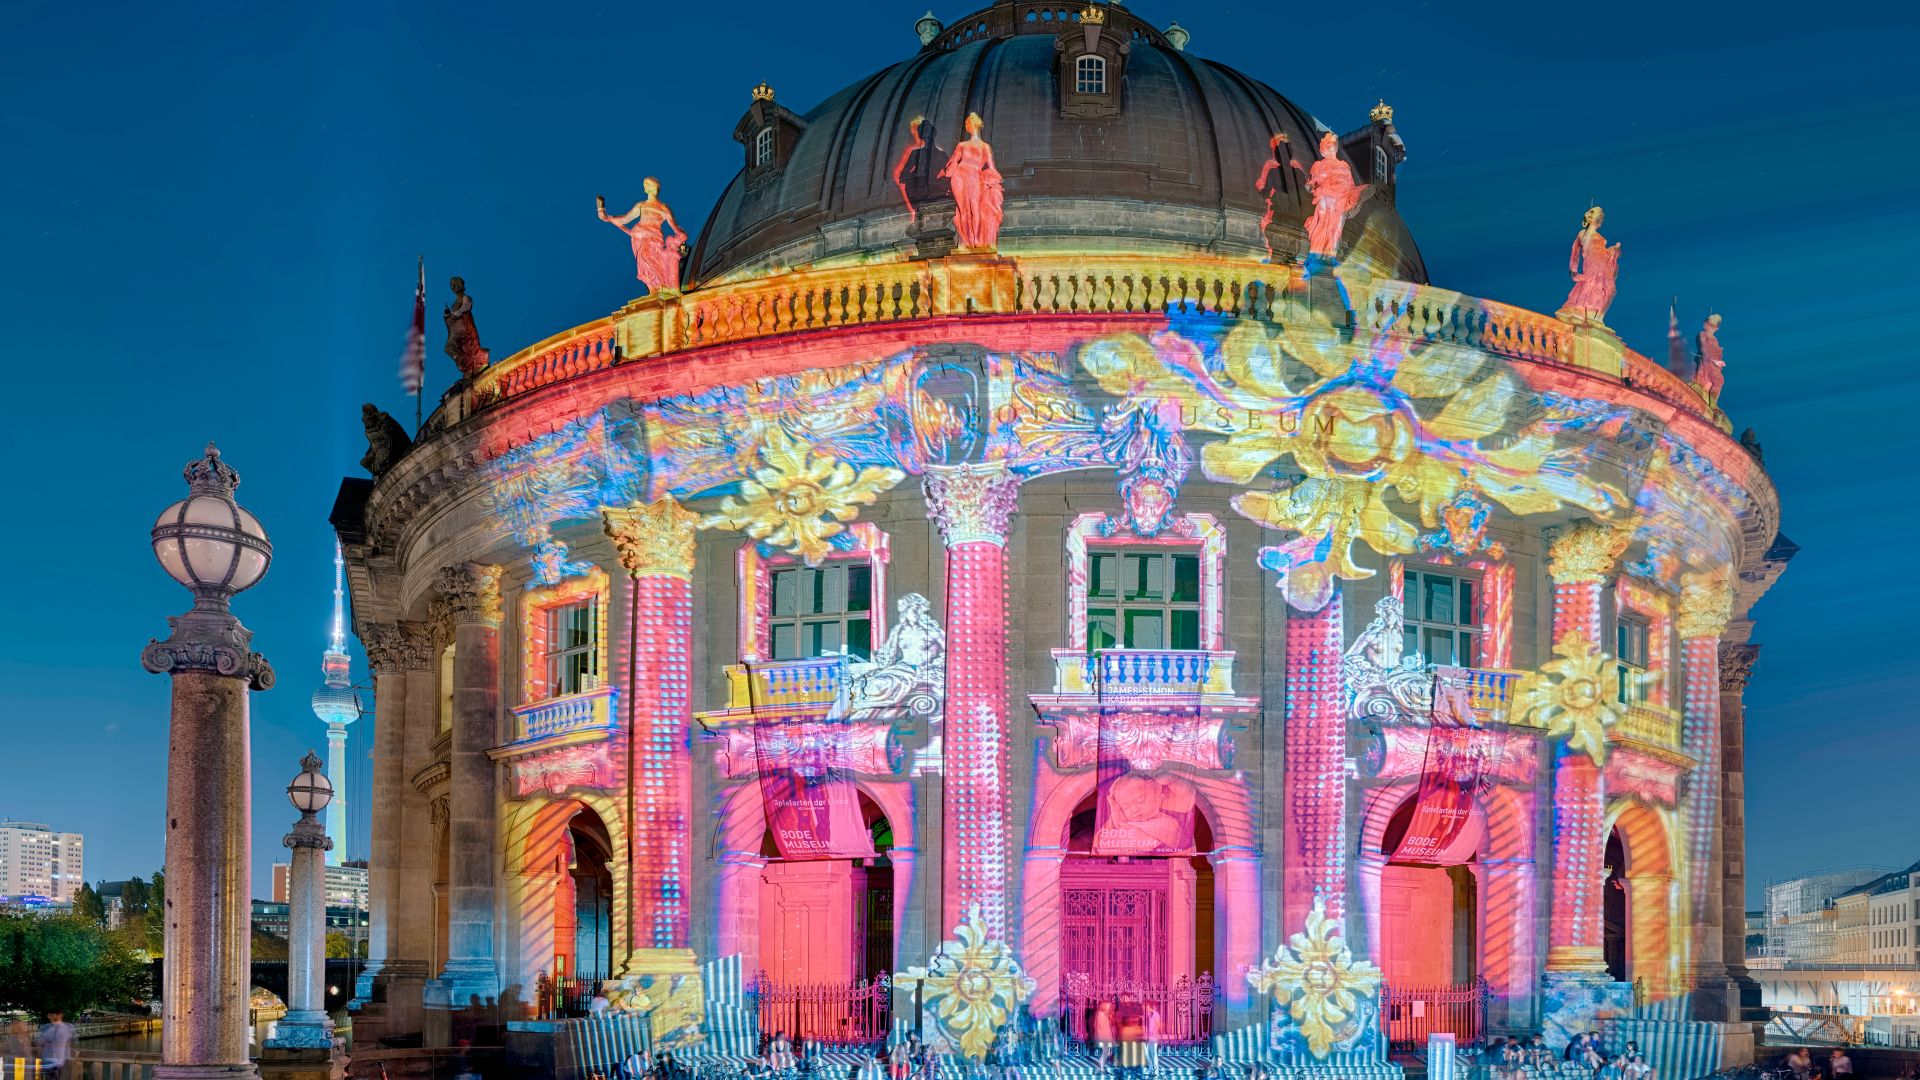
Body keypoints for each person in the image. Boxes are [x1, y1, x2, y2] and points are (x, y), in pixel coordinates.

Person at [597, 179, 687, 295]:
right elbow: (625, 219)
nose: (652, 188)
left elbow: (675, 227)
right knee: (645, 264)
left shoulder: (664, 208)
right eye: (648, 185)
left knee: (649, 259)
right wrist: (607, 217)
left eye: (654, 185)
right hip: (639, 238)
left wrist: (681, 235)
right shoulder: (642, 205)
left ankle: (660, 288)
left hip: (655, 239)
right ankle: (655, 290)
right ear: (646, 189)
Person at [940, 112, 1004, 250]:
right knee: (964, 210)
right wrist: (947, 169)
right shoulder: (962, 145)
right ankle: (968, 241)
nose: (968, 126)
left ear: (974, 125)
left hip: (975, 177)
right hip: (959, 177)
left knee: (975, 209)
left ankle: (977, 241)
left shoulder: (985, 147)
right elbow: (952, 161)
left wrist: (995, 183)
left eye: (969, 123)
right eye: (967, 124)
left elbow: (992, 168)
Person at [1558, 206, 1621, 325]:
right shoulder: (1583, 233)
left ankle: (1599, 317)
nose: (1601, 218)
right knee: (1592, 286)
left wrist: (1613, 250)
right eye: (1600, 215)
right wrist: (1573, 268)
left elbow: (1604, 252)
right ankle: (1590, 314)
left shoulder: (1601, 238)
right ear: (1591, 217)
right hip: (1592, 264)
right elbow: (1575, 252)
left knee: (1611, 291)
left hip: (1603, 264)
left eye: (1602, 217)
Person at [37, 1011, 74, 1080]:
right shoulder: (67, 1027)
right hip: (58, 1060)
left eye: (51, 1015)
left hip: (54, 1060)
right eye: (49, 1015)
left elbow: (41, 1042)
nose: (49, 1017)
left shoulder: (48, 1028)